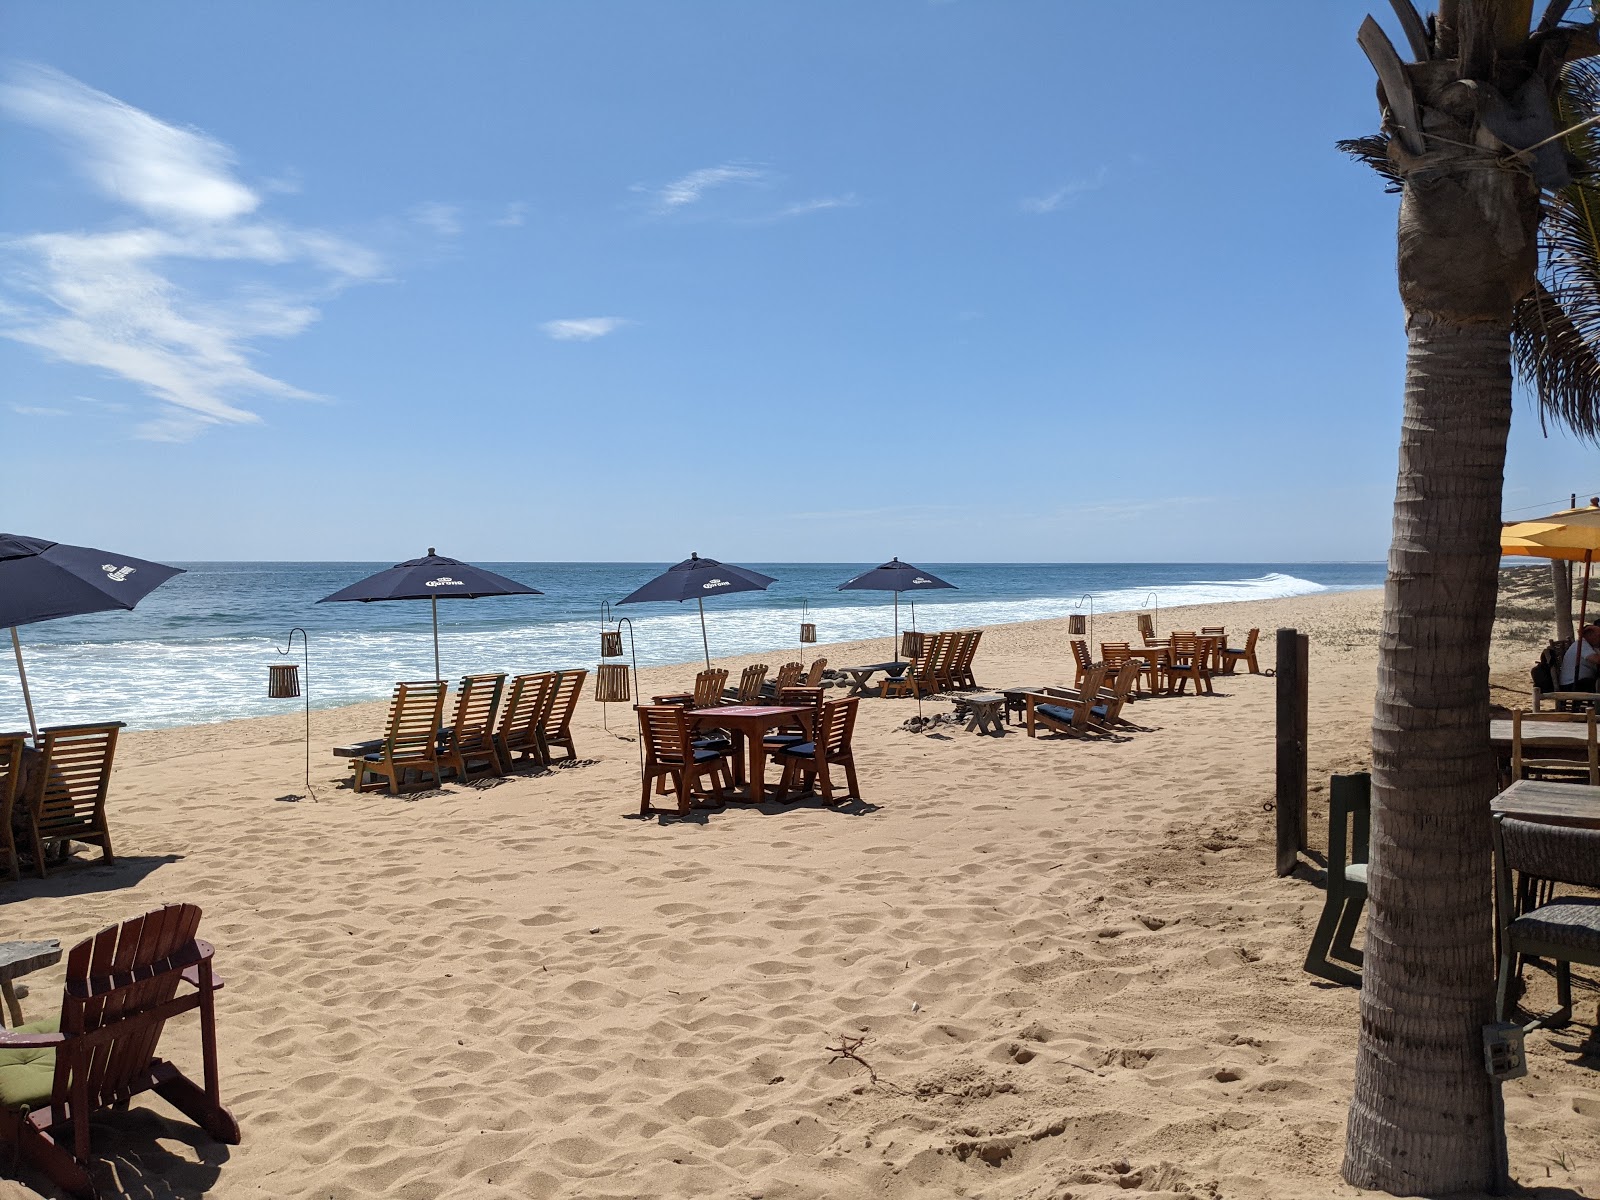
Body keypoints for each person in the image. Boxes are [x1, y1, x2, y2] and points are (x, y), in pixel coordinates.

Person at [1560, 624, 1600, 691]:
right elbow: (1597, 660)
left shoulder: (1592, 646)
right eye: (1599, 635)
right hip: (1573, 684)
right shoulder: (1581, 644)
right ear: (1589, 635)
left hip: (1581, 681)